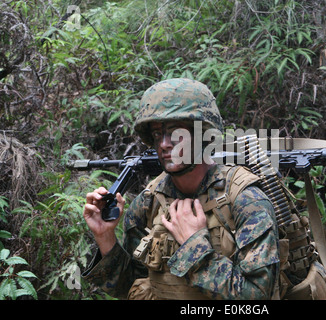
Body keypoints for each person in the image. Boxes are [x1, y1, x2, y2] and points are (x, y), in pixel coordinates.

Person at [82, 78, 280, 300]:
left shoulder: (245, 200)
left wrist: (193, 244)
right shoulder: (149, 202)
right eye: (158, 134)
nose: (165, 143)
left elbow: (258, 297)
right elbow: (130, 285)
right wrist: (105, 237)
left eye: (177, 133)